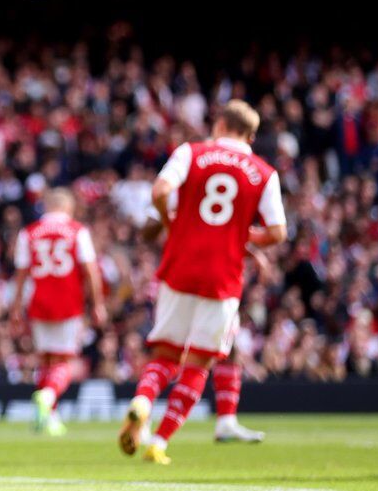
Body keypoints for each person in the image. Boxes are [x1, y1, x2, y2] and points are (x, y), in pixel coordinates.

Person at [120, 101, 286, 464]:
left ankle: (142, 401)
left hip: (179, 267)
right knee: (197, 365)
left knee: (164, 354)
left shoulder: (191, 152)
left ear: (221, 124)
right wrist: (241, 236)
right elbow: (278, 231)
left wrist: (170, 222)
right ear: (251, 135)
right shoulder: (263, 172)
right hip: (223, 278)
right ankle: (159, 443)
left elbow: (160, 191)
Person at [142, 198, 266, 443]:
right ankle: (155, 429)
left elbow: (150, 228)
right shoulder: (204, 175)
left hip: (178, 276)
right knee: (186, 355)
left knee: (225, 349)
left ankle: (225, 420)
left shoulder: (185, 176)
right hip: (210, 278)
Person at [10, 188, 106, 436]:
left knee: (46, 360)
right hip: (68, 303)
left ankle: (47, 416)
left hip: (39, 302)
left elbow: (21, 274)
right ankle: (48, 396)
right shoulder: (77, 231)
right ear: (68, 207)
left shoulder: (28, 233)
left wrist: (16, 307)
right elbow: (91, 271)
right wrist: (97, 304)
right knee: (64, 361)